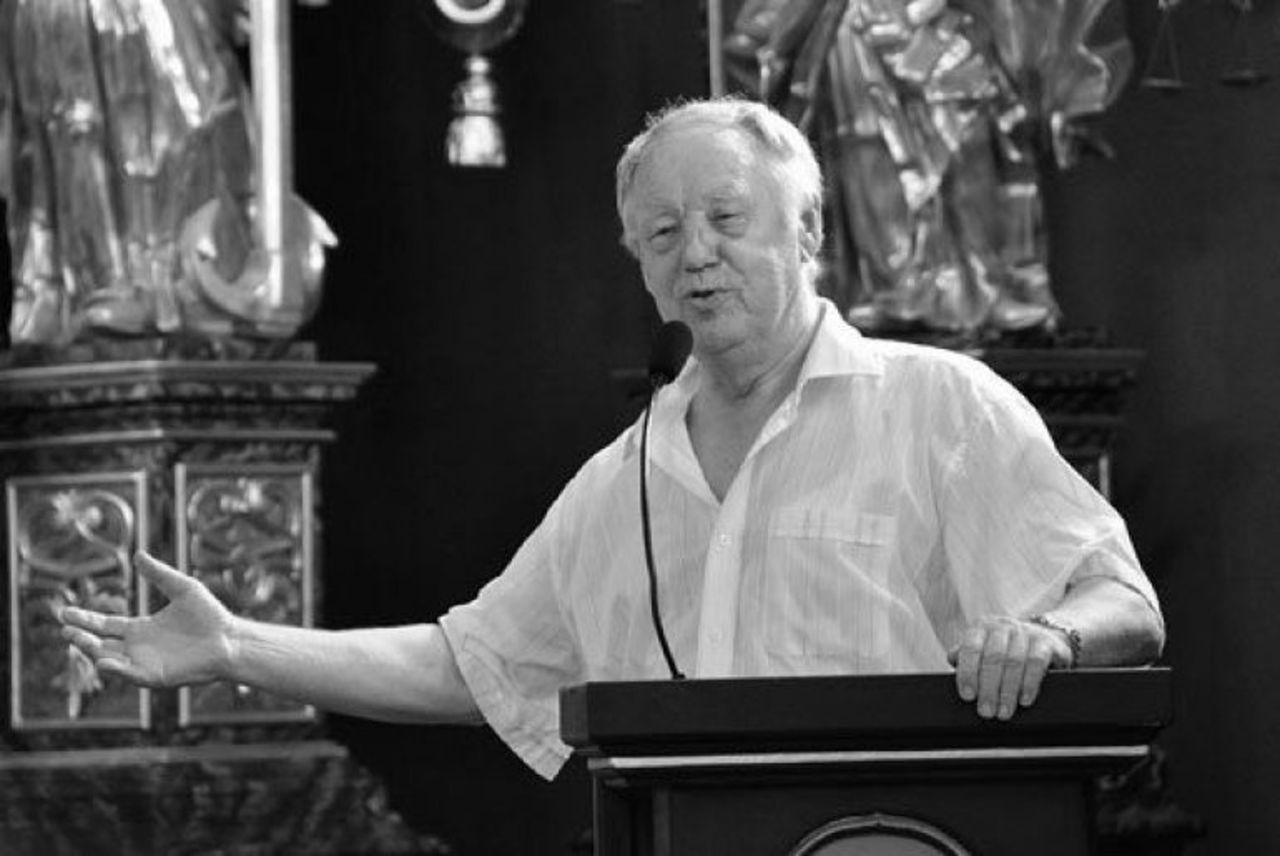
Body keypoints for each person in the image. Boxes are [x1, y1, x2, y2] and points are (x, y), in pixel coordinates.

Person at [59, 97, 1165, 781]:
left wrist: (1047, 639)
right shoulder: (624, 476)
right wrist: (235, 648)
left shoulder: (941, 406)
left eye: (726, 220)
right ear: (640, 265)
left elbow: (1120, 598)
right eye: (662, 233)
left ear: (809, 231)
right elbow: (471, 663)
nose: (696, 254)